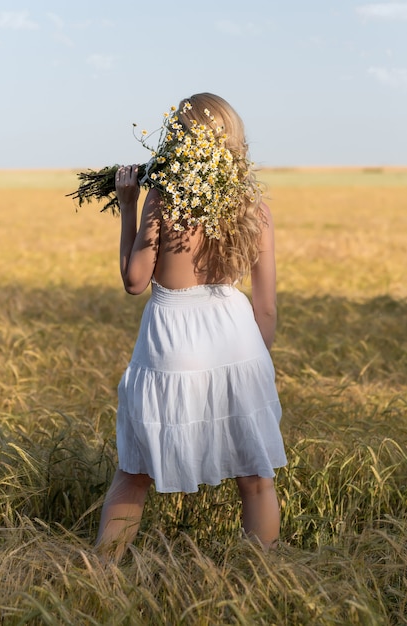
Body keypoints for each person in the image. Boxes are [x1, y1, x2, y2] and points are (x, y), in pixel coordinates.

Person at [95, 93, 287, 562]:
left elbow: (135, 281)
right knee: (256, 478)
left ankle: (96, 579)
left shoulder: (165, 199)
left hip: (172, 343)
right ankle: (264, 583)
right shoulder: (253, 207)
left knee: (135, 472)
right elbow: (266, 310)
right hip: (237, 340)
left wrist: (128, 204)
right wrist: (250, 366)